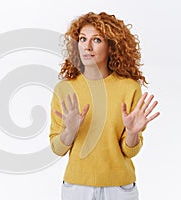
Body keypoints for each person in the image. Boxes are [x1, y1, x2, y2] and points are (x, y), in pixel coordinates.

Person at [49, 12, 160, 200]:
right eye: (83, 39)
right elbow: (57, 149)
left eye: (97, 40)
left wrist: (132, 133)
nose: (87, 46)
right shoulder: (64, 89)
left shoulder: (129, 88)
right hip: (77, 187)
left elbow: (129, 151)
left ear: (111, 47)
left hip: (119, 188)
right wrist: (70, 131)